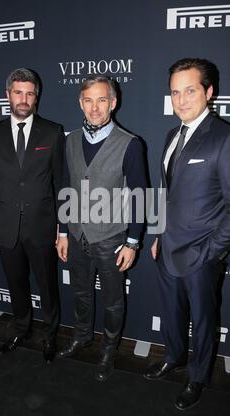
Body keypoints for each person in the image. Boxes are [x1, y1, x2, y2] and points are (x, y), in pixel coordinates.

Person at [143, 58, 230, 410]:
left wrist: (212, 251)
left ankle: (197, 377)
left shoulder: (229, 140)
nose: (181, 100)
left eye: (190, 90)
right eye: (175, 92)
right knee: (171, 313)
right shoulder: (170, 135)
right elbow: (169, 192)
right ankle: (173, 357)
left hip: (202, 256)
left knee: (204, 320)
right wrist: (159, 235)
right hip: (168, 247)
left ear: (209, 92)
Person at [56, 75, 147, 381]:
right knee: (81, 292)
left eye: (102, 100)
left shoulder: (131, 144)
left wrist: (133, 242)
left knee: (112, 301)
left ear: (113, 102)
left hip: (111, 239)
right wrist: (63, 232)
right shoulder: (69, 140)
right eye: (88, 100)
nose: (95, 108)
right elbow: (66, 188)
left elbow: (139, 197)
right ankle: (82, 337)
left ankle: (109, 348)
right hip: (78, 235)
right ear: (80, 103)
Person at [0, 68, 65, 364]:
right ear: (8, 95)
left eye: (29, 93)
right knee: (16, 284)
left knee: (48, 287)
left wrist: (62, 228)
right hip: (5, 228)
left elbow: (60, 184)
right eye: (18, 92)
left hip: (42, 228)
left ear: (36, 96)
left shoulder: (52, 132)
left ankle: (50, 336)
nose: (23, 99)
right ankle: (21, 329)